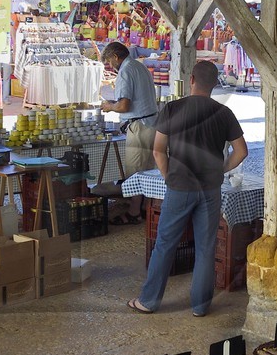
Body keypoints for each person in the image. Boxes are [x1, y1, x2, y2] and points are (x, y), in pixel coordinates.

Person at [129, 60, 246, 317]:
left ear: (191, 79)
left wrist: (169, 175)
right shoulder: (223, 113)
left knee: (165, 244)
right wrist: (221, 169)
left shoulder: (173, 109)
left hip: (180, 186)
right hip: (210, 188)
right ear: (215, 83)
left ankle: (149, 301)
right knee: (206, 247)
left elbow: (158, 151)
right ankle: (201, 306)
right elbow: (241, 152)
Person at [100, 41, 159, 225]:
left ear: (116, 57)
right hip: (151, 124)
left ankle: (134, 212)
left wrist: (109, 106)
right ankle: (143, 207)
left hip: (139, 126)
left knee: (135, 172)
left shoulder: (125, 71)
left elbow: (124, 106)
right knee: (148, 171)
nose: (110, 66)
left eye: (109, 62)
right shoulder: (139, 67)